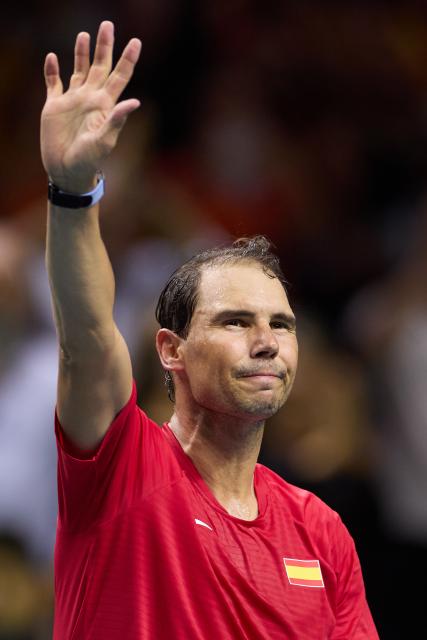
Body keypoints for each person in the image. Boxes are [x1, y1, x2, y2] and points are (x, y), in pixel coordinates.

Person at [41, 20, 378, 639]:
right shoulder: (123, 468)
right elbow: (86, 336)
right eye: (235, 320)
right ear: (170, 349)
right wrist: (72, 190)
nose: (267, 340)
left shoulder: (320, 531)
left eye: (282, 323)